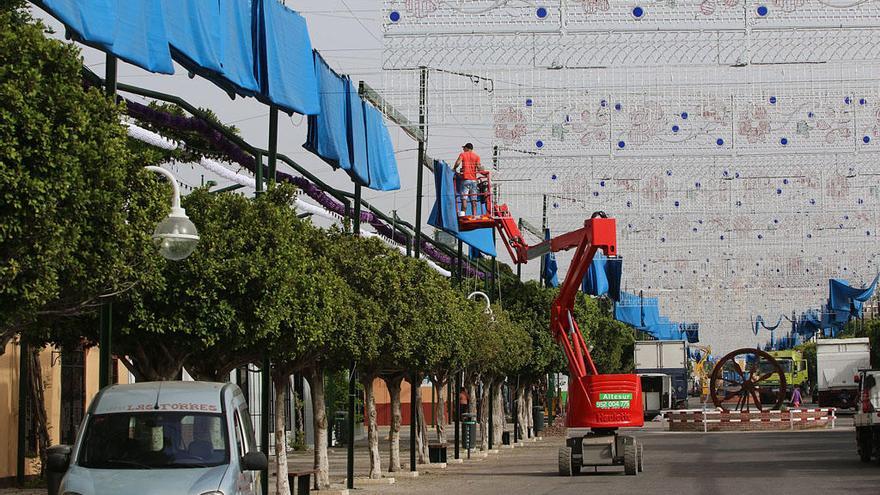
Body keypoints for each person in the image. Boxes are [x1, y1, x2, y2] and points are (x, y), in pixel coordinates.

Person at [453, 143, 483, 215]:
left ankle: (463, 215)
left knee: (464, 199)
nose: (463, 150)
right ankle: (474, 216)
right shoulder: (477, 156)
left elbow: (458, 162)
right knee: (474, 200)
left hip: (465, 180)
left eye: (464, 148)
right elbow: (479, 168)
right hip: (474, 181)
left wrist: (454, 168)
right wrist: (484, 172)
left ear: (467, 148)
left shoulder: (463, 154)